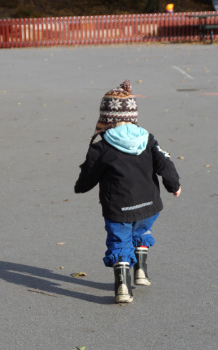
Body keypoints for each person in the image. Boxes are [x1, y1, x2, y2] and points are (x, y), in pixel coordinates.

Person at [74, 80, 181, 304]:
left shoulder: (101, 146)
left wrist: (81, 186)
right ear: (133, 115)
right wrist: (174, 185)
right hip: (148, 206)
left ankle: (123, 287)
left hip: (118, 207)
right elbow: (165, 163)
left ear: (105, 117)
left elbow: (89, 175)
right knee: (141, 231)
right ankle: (141, 271)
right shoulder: (147, 139)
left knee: (119, 242)